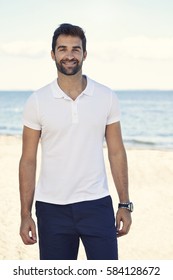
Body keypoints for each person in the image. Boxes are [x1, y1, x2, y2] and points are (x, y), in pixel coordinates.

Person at [19, 23, 133, 260]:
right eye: (62, 49)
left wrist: (125, 204)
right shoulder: (37, 101)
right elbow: (28, 160)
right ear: (53, 55)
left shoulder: (106, 97)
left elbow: (116, 152)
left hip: (96, 205)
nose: (69, 55)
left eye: (75, 49)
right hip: (51, 208)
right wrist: (25, 214)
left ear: (84, 54)